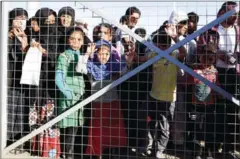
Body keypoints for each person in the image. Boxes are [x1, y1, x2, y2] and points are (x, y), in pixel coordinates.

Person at [135, 25, 186, 158]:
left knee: (164, 126)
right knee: (146, 120)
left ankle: (160, 150)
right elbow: (140, 60)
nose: (163, 48)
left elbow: (183, 53)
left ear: (170, 44)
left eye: (165, 45)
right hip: (153, 95)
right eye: (160, 45)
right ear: (156, 45)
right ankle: (148, 145)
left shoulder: (174, 54)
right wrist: (132, 54)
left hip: (169, 98)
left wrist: (175, 37)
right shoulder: (153, 54)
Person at [75, 40, 131, 158]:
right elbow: (79, 68)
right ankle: (97, 152)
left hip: (113, 102)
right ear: (96, 53)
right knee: (97, 130)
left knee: (112, 129)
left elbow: (125, 72)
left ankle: (111, 152)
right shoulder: (91, 65)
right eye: (101, 53)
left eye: (107, 54)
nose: (104, 57)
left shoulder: (114, 65)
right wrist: (86, 54)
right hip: (98, 104)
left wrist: (128, 63)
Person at [55, 27, 90, 159]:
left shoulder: (81, 56)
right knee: (68, 131)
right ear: (68, 40)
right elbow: (59, 80)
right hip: (69, 99)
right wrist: (69, 95)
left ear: (82, 41)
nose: (75, 42)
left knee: (75, 130)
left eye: (79, 39)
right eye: (72, 38)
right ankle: (67, 155)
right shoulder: (63, 56)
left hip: (81, 99)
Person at [214, 1, 240, 158]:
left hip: (233, 74)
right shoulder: (213, 29)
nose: (236, 15)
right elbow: (205, 51)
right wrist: (219, 54)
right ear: (223, 13)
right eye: (232, 12)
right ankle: (213, 146)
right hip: (216, 72)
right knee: (216, 111)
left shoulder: (238, 30)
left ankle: (229, 147)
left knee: (232, 111)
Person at [186, 43, 218, 159]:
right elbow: (186, 84)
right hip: (196, 106)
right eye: (204, 57)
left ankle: (208, 152)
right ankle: (196, 153)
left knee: (209, 130)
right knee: (195, 129)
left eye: (210, 58)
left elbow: (217, 88)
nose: (207, 60)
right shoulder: (194, 70)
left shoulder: (214, 72)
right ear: (200, 56)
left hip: (209, 106)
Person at [7, 8, 29, 153]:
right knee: (7, 111)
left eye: (24, 18)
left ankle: (18, 141)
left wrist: (24, 41)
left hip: (23, 81)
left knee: (21, 111)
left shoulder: (29, 35)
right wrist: (8, 37)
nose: (21, 21)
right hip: (7, 81)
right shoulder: (5, 35)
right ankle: (6, 140)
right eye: (18, 18)